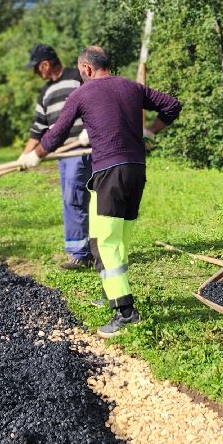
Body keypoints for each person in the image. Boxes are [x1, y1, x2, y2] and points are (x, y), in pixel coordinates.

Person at [19, 45, 181, 336]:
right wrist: (151, 130)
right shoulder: (132, 87)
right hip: (136, 170)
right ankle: (111, 291)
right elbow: (172, 105)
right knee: (118, 238)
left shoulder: (82, 93)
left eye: (81, 72)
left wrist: (36, 154)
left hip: (110, 173)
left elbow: (55, 133)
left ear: (86, 69)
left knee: (103, 243)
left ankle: (126, 312)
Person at [22, 43, 94, 270]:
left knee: (76, 198)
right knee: (70, 199)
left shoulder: (77, 78)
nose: (36, 73)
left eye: (36, 68)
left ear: (45, 64)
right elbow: (37, 129)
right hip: (62, 153)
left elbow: (97, 103)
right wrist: (24, 156)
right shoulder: (45, 92)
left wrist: (90, 129)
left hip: (82, 149)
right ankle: (83, 251)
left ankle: (81, 255)